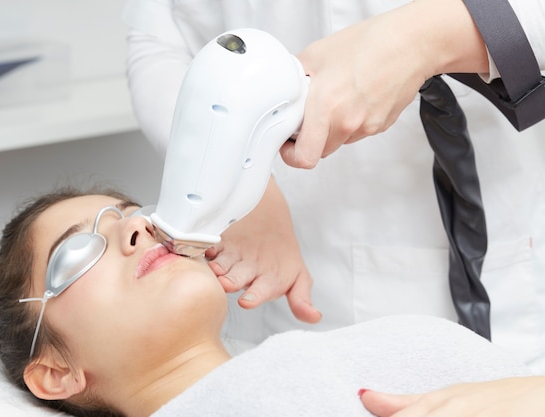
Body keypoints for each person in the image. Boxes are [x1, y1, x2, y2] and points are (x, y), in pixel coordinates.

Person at [122, 0, 545, 372]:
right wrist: (231, 178)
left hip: (508, 295)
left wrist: (428, 35)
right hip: (293, 293)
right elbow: (161, 36)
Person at [0, 186, 539, 417]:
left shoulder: (378, 344)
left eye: (135, 217)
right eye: (78, 251)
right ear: (55, 372)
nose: (137, 232)